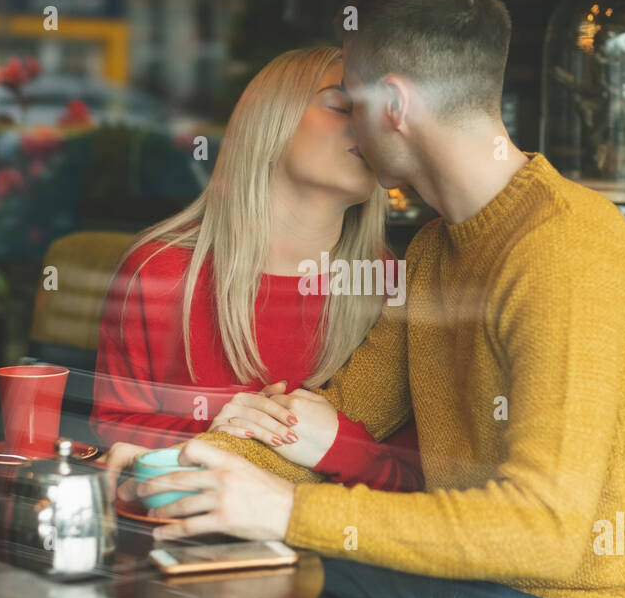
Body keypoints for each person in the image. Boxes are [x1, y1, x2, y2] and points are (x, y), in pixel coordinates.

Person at [108, 0, 625, 598]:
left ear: (392, 104)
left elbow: (545, 531)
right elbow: (332, 412)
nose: (348, 125)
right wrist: (181, 472)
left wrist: (282, 513)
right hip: (437, 593)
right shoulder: (434, 252)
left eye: (350, 99)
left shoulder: (567, 251)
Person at [93, 45, 421, 495]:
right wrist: (216, 429)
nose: (369, 125)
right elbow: (111, 434)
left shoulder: (389, 282)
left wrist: (334, 445)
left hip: (329, 550)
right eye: (343, 105)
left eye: (380, 113)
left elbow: (415, 479)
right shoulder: (161, 269)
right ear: (269, 121)